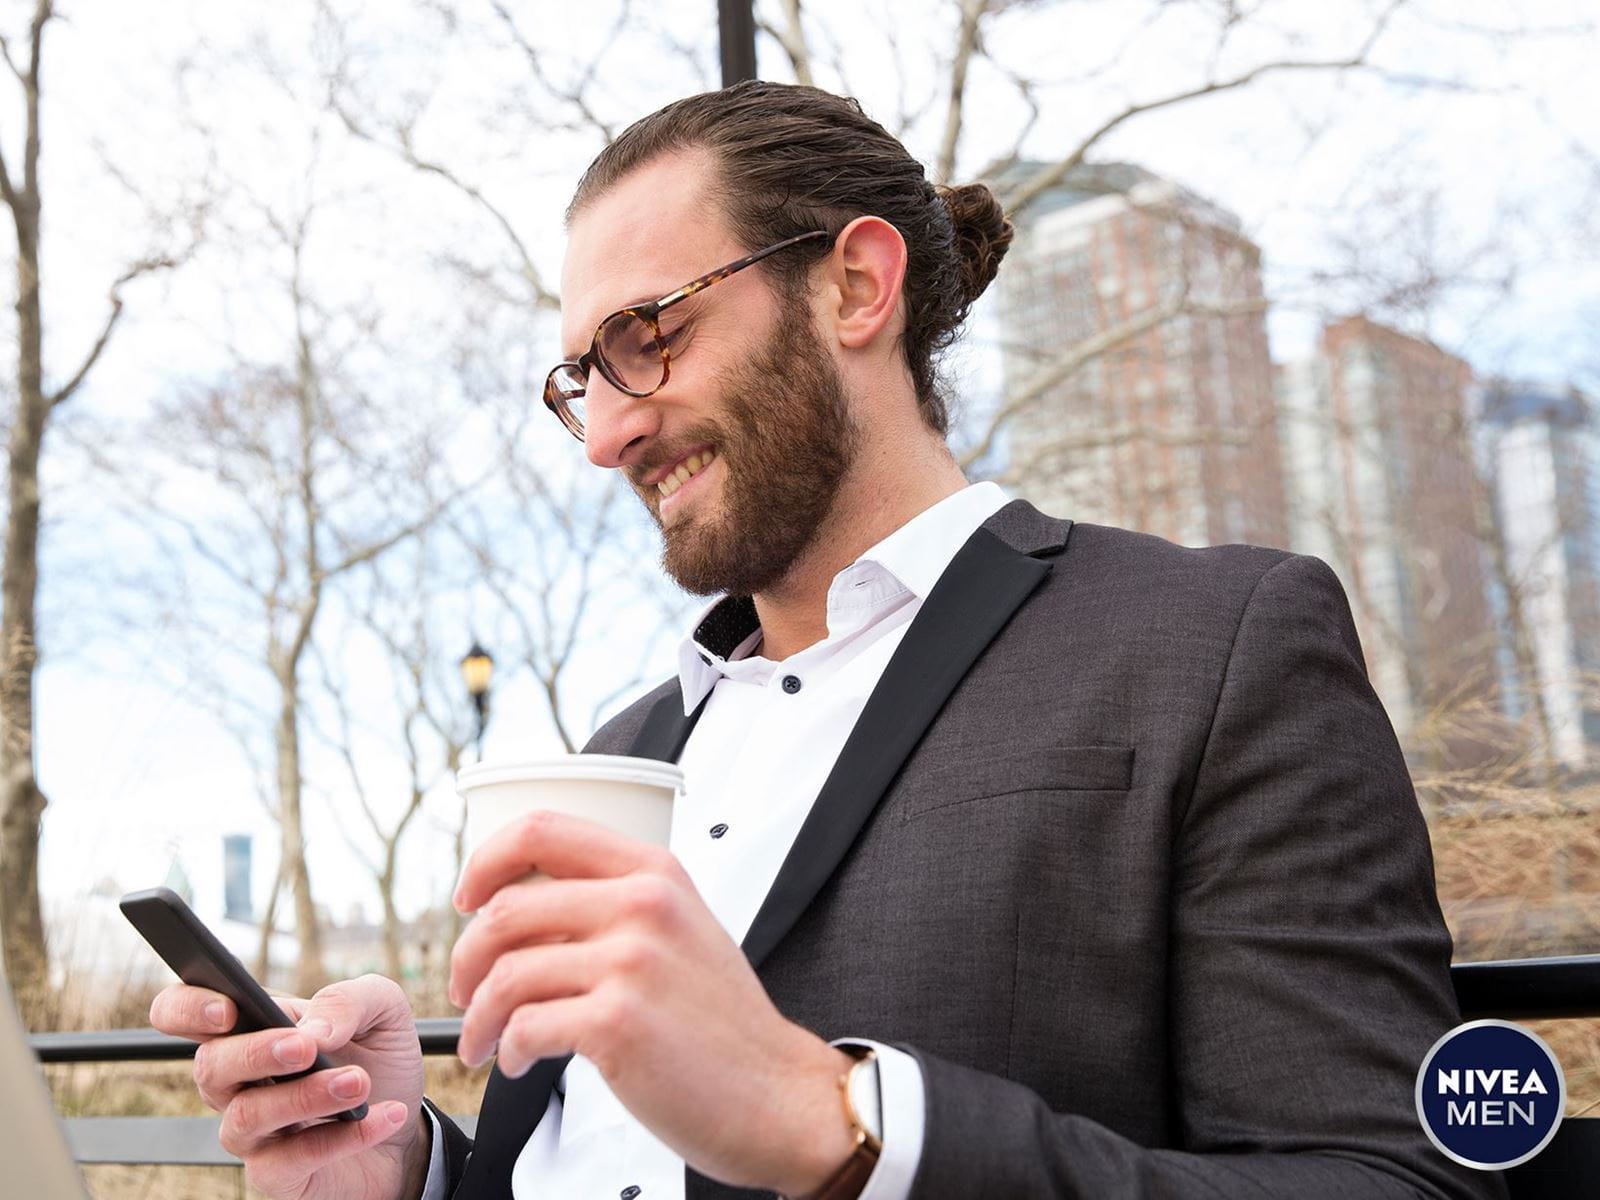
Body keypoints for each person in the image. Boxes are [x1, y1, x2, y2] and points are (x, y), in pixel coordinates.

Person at [151, 81, 1505, 1200]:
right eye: (581, 378)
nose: (609, 432)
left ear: (855, 286)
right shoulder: (625, 751)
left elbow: (1401, 1183)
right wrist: (409, 1168)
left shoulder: (1210, 650)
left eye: (648, 335)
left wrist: (845, 1123)